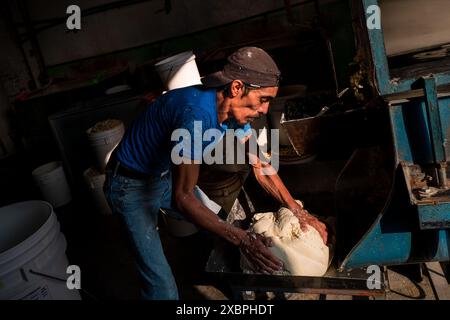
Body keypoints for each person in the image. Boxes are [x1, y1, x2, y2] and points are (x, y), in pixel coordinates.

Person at [104, 47, 327, 300]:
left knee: (220, 221)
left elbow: (261, 167)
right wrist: (243, 240)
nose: (265, 110)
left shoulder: (233, 113)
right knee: (161, 284)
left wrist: (297, 211)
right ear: (236, 88)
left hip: (161, 175)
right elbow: (183, 198)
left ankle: (232, 279)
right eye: (263, 99)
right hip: (129, 185)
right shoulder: (196, 117)